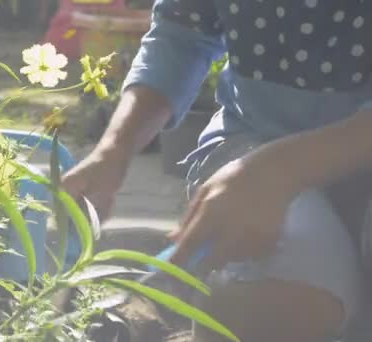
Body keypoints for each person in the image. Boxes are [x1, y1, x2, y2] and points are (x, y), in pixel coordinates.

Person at [62, 0, 372, 341]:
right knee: (279, 301)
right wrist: (115, 150)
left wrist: (278, 171)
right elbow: (181, 35)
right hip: (253, 141)